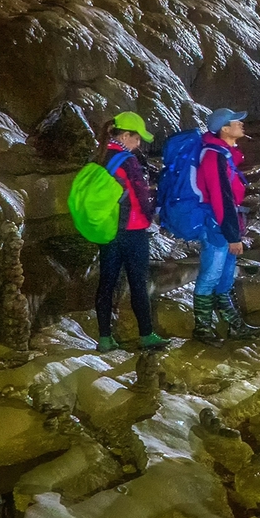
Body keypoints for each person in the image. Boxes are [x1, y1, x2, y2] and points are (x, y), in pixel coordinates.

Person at [95, 112, 170, 353]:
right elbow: (140, 194)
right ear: (126, 136)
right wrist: (150, 216)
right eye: (137, 139)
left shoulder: (99, 156)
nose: (139, 145)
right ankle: (146, 335)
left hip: (108, 229)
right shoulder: (127, 160)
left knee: (106, 283)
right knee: (138, 282)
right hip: (132, 230)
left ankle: (105, 339)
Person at [193, 108, 260, 342]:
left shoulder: (224, 154)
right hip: (216, 226)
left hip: (224, 223)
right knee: (210, 276)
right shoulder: (213, 156)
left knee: (224, 278)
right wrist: (233, 236)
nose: (242, 125)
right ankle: (202, 328)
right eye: (237, 122)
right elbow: (220, 198)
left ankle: (234, 325)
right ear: (224, 128)